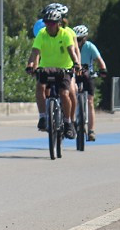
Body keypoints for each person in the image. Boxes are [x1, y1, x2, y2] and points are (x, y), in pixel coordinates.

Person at [26, 7, 81, 138]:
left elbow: (71, 51)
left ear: (59, 24)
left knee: (64, 93)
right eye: (47, 23)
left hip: (64, 69)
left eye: (52, 23)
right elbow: (35, 52)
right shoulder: (41, 34)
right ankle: (43, 117)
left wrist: (76, 64)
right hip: (47, 68)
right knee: (40, 87)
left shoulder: (65, 34)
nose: (49, 26)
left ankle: (68, 122)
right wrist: (30, 65)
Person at [74, 24, 107, 141]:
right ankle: (72, 120)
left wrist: (103, 69)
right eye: (75, 39)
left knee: (90, 101)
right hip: (75, 74)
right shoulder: (71, 47)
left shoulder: (90, 46)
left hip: (88, 76)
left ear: (84, 39)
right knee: (72, 95)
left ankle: (91, 130)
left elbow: (100, 60)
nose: (76, 42)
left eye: (79, 39)